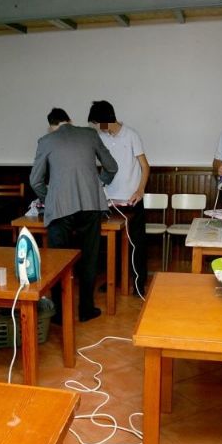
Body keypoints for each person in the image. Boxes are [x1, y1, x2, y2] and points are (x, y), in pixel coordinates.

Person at [30, 108, 118, 322]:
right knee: (89, 258)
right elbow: (112, 167)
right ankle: (86, 310)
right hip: (90, 204)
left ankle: (59, 315)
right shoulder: (89, 134)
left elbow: (35, 181)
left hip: (60, 208)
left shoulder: (46, 141)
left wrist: (50, 196)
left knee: (58, 261)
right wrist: (99, 183)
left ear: (52, 125)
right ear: (70, 119)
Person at [88, 100, 150, 296]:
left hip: (131, 199)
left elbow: (145, 166)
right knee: (111, 245)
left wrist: (140, 190)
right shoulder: (101, 138)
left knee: (136, 244)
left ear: (106, 120)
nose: (97, 128)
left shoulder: (131, 135)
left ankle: (139, 284)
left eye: (97, 123)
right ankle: (114, 281)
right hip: (108, 199)